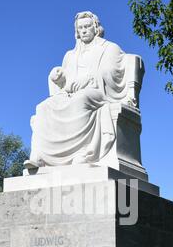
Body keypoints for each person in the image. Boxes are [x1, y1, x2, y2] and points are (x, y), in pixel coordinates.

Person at [25, 11, 130, 168]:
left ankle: (82, 153)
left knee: (81, 100)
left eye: (87, 26)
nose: (84, 30)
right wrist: (57, 77)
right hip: (70, 93)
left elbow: (113, 72)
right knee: (43, 107)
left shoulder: (109, 48)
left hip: (97, 91)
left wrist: (89, 78)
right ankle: (40, 156)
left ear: (95, 28)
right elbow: (65, 81)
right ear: (77, 31)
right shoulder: (70, 55)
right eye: (80, 28)